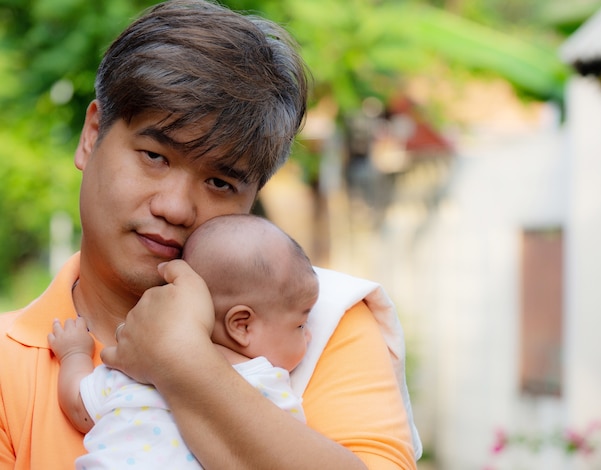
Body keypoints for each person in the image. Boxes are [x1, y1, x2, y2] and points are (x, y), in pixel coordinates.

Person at [0, 1, 421, 468]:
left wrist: (182, 362)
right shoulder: (6, 364)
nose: (175, 207)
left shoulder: (312, 322)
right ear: (92, 134)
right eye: (154, 156)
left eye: (220, 182)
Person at [48, 214, 317, 468]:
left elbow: (79, 408)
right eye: (300, 325)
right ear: (242, 325)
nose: (310, 335)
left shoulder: (139, 362)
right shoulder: (269, 388)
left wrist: (73, 354)